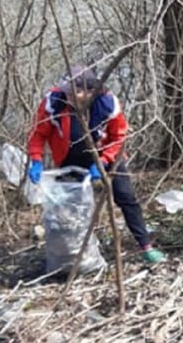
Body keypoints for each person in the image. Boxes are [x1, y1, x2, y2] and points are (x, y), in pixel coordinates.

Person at [27, 66, 165, 263]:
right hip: (70, 160)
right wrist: (36, 160)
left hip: (107, 155)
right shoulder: (54, 103)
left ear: (90, 91)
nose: (70, 98)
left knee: (126, 197)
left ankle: (145, 245)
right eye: (68, 92)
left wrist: (103, 161)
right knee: (67, 207)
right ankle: (73, 254)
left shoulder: (106, 104)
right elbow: (38, 134)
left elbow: (119, 137)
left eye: (75, 94)